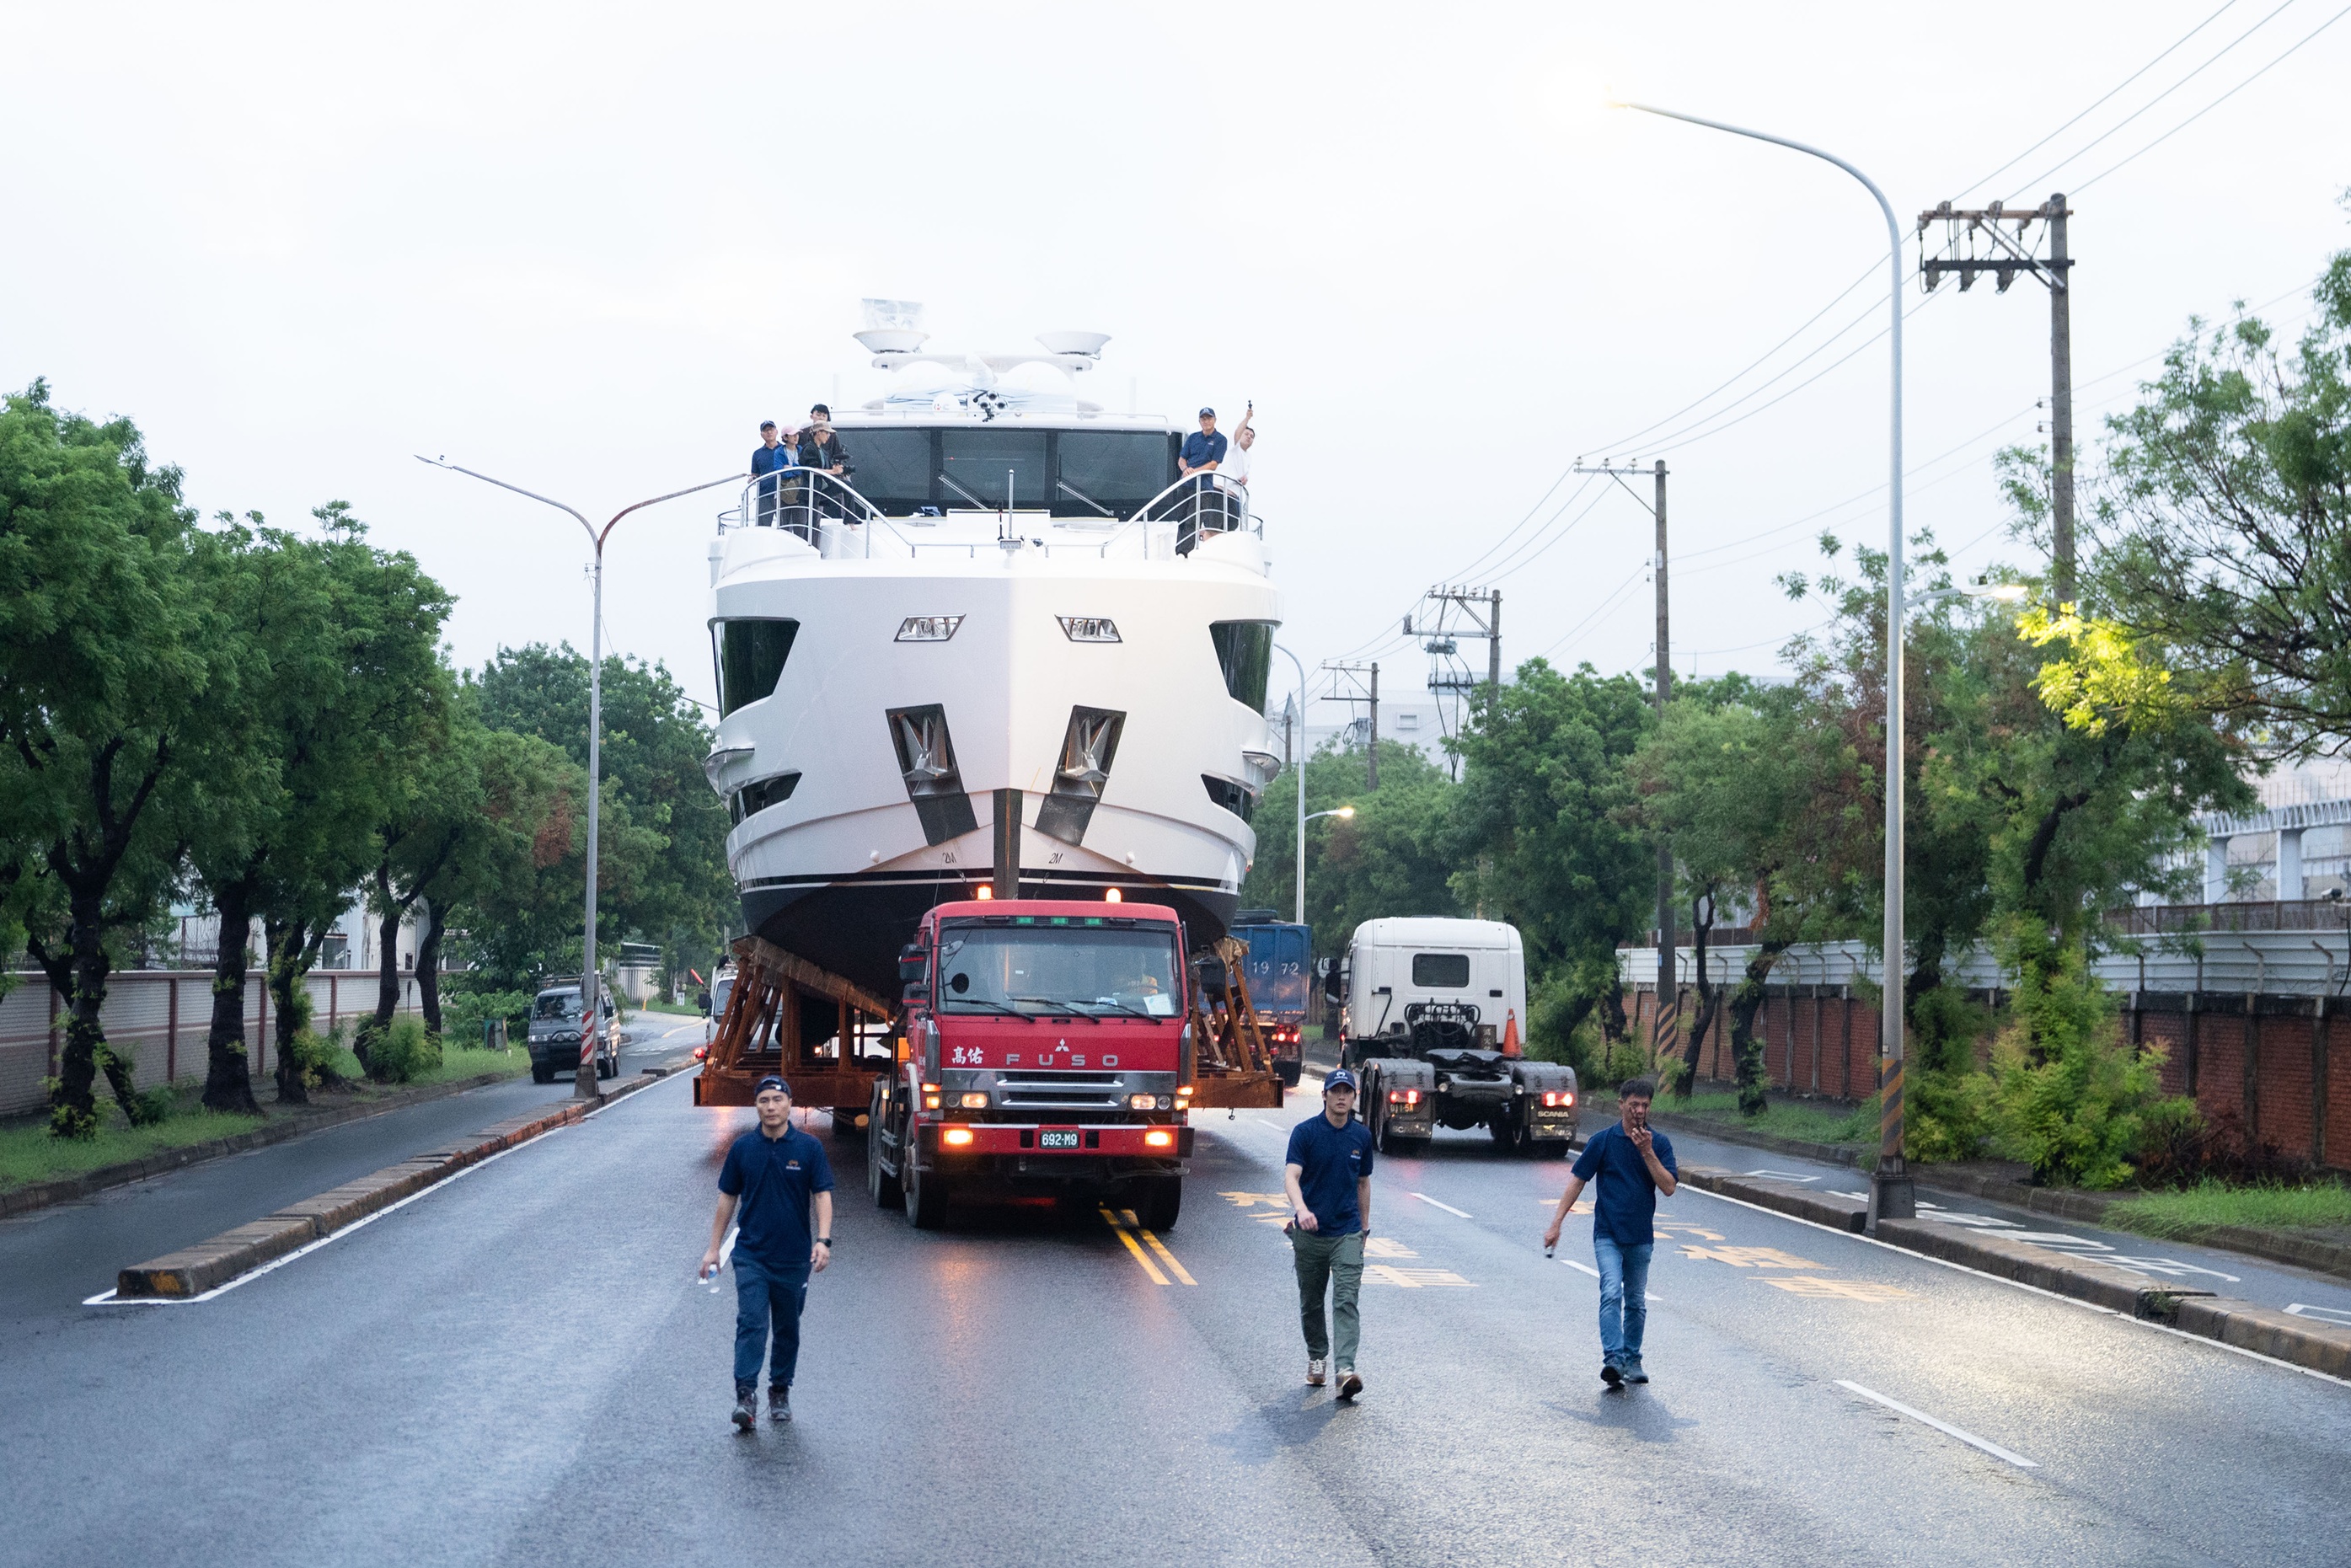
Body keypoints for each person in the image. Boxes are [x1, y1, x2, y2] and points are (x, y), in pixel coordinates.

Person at [703, 1075, 834, 1429]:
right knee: (752, 1321)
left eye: (778, 1099)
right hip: (751, 1255)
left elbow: (822, 1194)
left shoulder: (808, 1149)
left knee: (788, 1327)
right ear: (756, 1105)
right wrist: (713, 1249)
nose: (771, 1106)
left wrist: (823, 1240)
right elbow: (727, 1198)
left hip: (793, 1259)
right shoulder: (743, 1149)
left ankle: (780, 1391)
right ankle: (745, 1395)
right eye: (764, 1100)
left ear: (790, 1104)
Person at [1543, 1076, 1678, 1388]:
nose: (1639, 1111)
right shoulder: (1603, 1141)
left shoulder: (1659, 1144)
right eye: (1634, 1105)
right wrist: (1556, 1223)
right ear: (1621, 1105)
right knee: (1611, 1293)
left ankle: (1633, 1358)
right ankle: (1613, 1359)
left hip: (1641, 1236)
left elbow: (1668, 1187)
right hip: (1608, 1233)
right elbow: (1577, 1181)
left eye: (1645, 1105)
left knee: (1635, 1301)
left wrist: (1647, 1152)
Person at [1283, 1067, 1374, 1400]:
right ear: (1324, 1095)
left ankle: (1345, 1370)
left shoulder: (1361, 1137)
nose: (1340, 1097)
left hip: (1347, 1232)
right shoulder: (1305, 1133)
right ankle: (1317, 1358)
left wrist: (1364, 1229)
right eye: (1334, 1091)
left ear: (1354, 1097)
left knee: (1346, 1300)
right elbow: (1291, 1177)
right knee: (1311, 1303)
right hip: (1309, 1235)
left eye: (1346, 1092)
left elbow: (1363, 1183)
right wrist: (1302, 1210)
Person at [749, 420, 795, 528]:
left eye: (771, 429)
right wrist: (752, 478)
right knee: (762, 527)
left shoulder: (786, 449)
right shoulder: (757, 454)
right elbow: (755, 473)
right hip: (766, 494)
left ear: (776, 432)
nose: (769, 432)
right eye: (766, 430)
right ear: (762, 434)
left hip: (785, 493)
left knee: (786, 528)